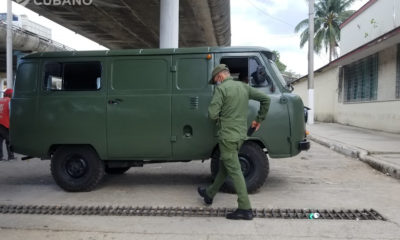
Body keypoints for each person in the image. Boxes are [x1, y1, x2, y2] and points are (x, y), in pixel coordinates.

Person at [198, 64, 270, 220]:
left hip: (227, 137)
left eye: (216, 79)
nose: (216, 82)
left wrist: (221, 118)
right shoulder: (243, 87)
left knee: (235, 171)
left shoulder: (221, 89)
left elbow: (212, 114)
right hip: (240, 136)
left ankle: (245, 209)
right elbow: (266, 99)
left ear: (220, 77)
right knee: (225, 167)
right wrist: (259, 120)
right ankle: (209, 194)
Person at [0, 88, 15, 161]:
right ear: (10, 94)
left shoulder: (0, 100)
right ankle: (11, 156)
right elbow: (12, 113)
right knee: (9, 140)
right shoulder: (10, 101)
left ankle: (0, 157)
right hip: (5, 124)